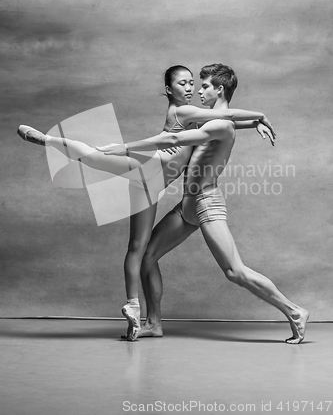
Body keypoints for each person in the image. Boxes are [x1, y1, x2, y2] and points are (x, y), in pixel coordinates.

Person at [18, 65, 274, 340]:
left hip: (151, 185)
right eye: (183, 84)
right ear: (168, 90)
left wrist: (253, 123)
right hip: (150, 168)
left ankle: (135, 309)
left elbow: (225, 122)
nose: (191, 89)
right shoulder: (183, 111)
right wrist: (260, 116)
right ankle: (48, 140)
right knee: (94, 158)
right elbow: (228, 115)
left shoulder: (198, 117)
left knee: (138, 249)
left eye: (192, 83)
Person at [100, 63, 309, 344]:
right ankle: (153, 323)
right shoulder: (215, 121)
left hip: (206, 203)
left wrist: (124, 148)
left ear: (219, 89)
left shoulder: (220, 124)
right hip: (189, 203)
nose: (198, 90)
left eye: (205, 86)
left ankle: (294, 311)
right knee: (147, 256)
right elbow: (227, 120)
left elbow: (175, 137)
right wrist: (255, 121)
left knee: (234, 271)